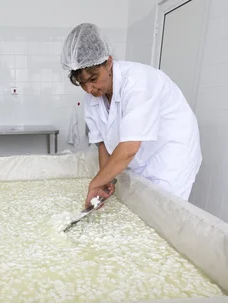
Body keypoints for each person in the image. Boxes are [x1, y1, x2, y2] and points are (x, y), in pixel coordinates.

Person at [61, 23, 202, 207]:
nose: (89, 88)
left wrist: (95, 183)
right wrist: (105, 181)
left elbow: (129, 147)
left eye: (93, 79)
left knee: (164, 209)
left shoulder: (138, 82)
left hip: (170, 153)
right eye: (82, 83)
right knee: (141, 204)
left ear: (109, 62)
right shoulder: (93, 97)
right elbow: (102, 144)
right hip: (141, 156)